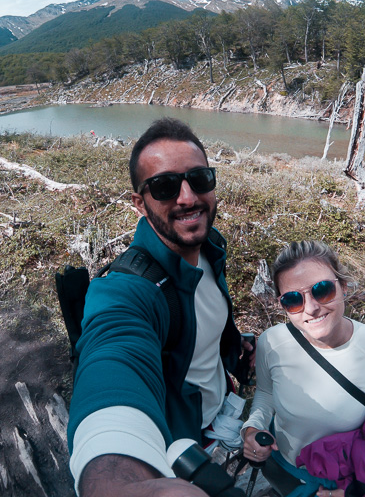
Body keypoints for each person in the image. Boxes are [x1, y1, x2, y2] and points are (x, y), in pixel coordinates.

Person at [67, 118, 251, 497]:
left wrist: (234, 345)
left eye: (199, 179)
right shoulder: (126, 290)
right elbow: (114, 359)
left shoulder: (209, 247)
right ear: (140, 203)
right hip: (183, 446)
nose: (187, 197)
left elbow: (201, 326)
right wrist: (116, 480)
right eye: (165, 186)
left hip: (222, 415)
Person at [241, 240, 365, 497]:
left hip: (342, 486)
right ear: (282, 305)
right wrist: (252, 428)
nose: (311, 308)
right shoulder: (272, 342)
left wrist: (361, 492)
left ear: (343, 287)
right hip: (280, 468)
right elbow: (265, 393)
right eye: (293, 299)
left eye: (322, 290)